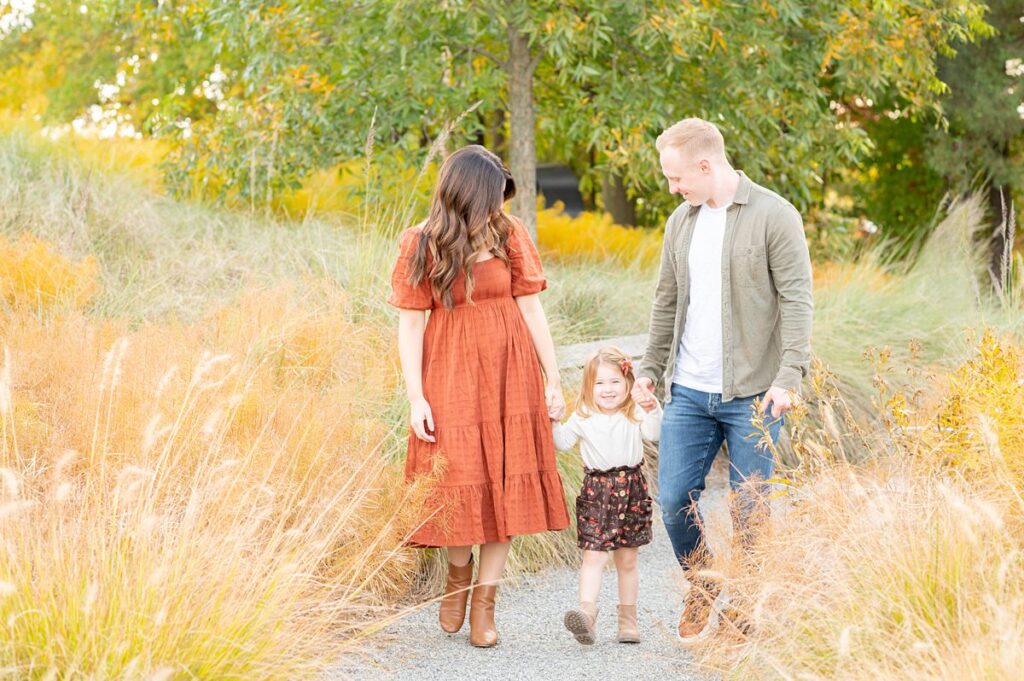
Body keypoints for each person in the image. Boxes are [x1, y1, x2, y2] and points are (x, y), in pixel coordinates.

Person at [631, 117, 813, 642]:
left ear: (706, 165)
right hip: (688, 391)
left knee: (750, 504)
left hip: (756, 392)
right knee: (672, 500)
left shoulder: (775, 216)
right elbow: (665, 302)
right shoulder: (680, 222)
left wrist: (789, 376)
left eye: (676, 177)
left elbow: (798, 301)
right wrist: (649, 369)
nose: (673, 188)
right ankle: (704, 581)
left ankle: (749, 599)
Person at [387, 145, 570, 648]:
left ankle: (484, 606)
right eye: (491, 198)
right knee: (462, 481)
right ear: (465, 194)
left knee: (504, 485)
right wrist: (416, 397)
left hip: (511, 373)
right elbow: (410, 326)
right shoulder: (420, 243)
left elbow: (532, 310)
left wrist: (552, 378)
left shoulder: (509, 235)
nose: (498, 207)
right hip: (450, 375)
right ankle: (457, 577)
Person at [552, 347, 662, 645]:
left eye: (615, 382)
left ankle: (628, 621)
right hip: (597, 491)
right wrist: (553, 420)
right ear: (589, 387)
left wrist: (652, 407)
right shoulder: (583, 417)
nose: (608, 390)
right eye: (599, 383)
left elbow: (654, 433)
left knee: (627, 560)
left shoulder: (635, 413)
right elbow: (561, 443)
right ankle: (586, 615)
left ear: (628, 384)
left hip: (632, 489)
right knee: (594, 555)